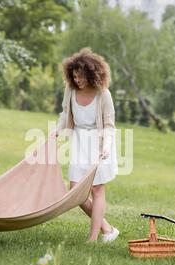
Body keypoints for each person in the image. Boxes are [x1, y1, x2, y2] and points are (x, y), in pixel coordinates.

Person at [51, 48, 119, 243]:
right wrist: (57, 131)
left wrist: (106, 146)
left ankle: (92, 238)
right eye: (74, 76)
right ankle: (108, 229)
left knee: (97, 190)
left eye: (81, 76)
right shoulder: (70, 90)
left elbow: (109, 125)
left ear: (91, 73)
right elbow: (65, 113)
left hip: (99, 145)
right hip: (80, 142)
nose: (77, 80)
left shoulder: (103, 94)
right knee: (76, 192)